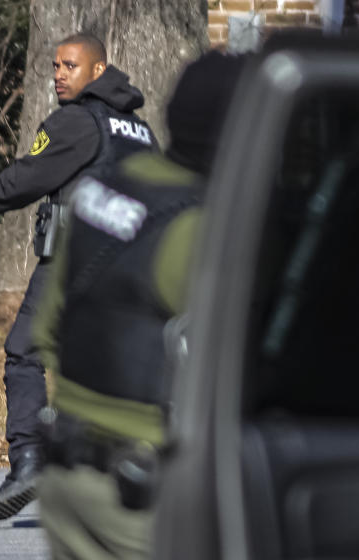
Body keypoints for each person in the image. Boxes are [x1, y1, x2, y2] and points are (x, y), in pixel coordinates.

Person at [33, 51, 247, 560]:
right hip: (144, 492)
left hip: (67, 473)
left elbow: (46, 330)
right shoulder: (206, 227)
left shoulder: (98, 191)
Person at [0, 33, 157, 519]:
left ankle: (28, 460)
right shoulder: (138, 130)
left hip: (76, 260)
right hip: (134, 268)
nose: (58, 74)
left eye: (69, 66)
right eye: (54, 66)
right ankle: (123, 472)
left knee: (25, 351)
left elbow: (28, 176)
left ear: (97, 70)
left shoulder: (77, 121)